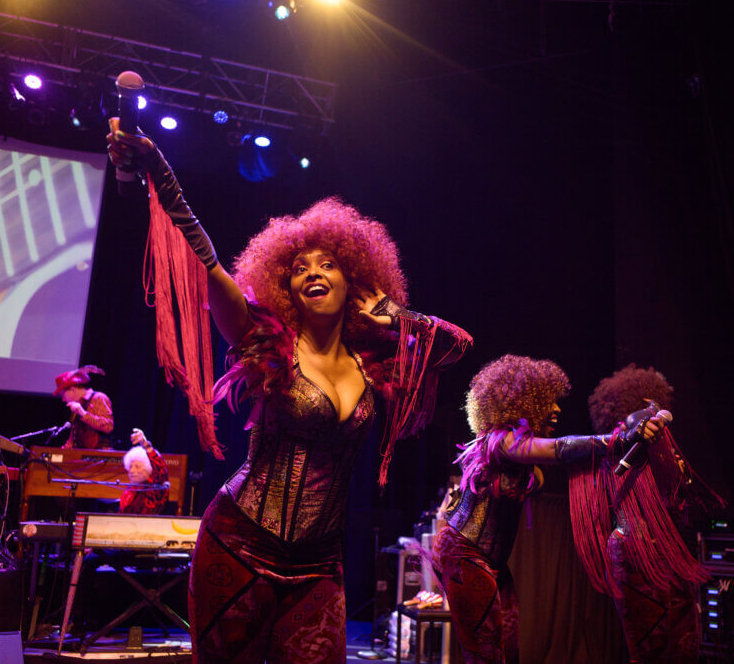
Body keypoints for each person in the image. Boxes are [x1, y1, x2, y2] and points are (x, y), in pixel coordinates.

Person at [107, 120, 472, 663]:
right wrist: (161, 173)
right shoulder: (265, 340)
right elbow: (204, 258)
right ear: (286, 287)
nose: (314, 273)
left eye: (329, 264)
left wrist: (395, 314)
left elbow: (457, 346)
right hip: (238, 547)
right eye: (300, 269)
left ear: (356, 280)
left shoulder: (375, 365)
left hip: (320, 564)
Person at [431, 355, 667, 664]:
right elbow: (561, 449)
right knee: (486, 650)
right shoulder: (500, 442)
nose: (557, 410)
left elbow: (571, 457)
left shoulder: (522, 453)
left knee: (509, 644)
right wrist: (617, 439)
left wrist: (632, 432)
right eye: (549, 403)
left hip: (491, 561)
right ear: (524, 405)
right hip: (464, 552)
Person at [572, 364, 724, 663]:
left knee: (683, 644)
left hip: (668, 550)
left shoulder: (663, 446)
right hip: (634, 551)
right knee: (649, 646)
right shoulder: (620, 444)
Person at [53, 365, 114, 449]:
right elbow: (73, 439)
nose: (63, 399)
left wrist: (83, 413)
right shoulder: (77, 406)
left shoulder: (98, 397)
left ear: (72, 390)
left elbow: (108, 426)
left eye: (63, 395)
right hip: (81, 456)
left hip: (100, 456)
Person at [120, 428, 169, 515]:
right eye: (130, 467)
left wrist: (146, 445)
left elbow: (160, 470)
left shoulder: (154, 490)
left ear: (148, 469)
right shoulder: (130, 491)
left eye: (137, 466)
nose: (132, 470)